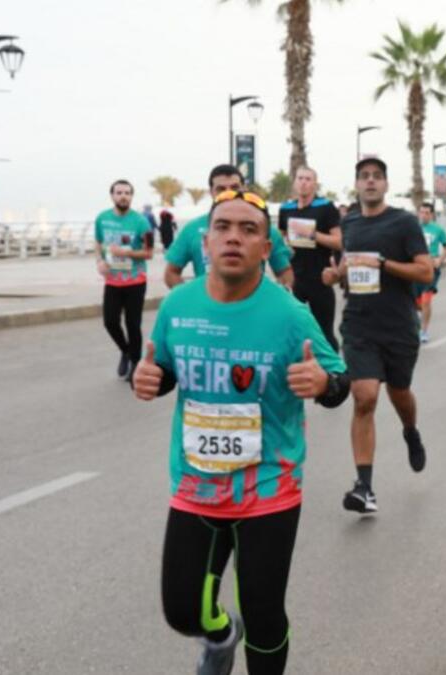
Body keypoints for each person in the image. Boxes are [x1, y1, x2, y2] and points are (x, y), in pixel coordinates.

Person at [133, 189, 348, 675]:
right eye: (224, 228)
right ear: (204, 242)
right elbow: (164, 368)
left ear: (267, 247)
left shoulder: (290, 314)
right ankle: (222, 636)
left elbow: (340, 382)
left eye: (249, 230)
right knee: (182, 611)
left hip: (269, 488)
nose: (234, 238)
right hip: (195, 486)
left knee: (265, 614)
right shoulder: (178, 306)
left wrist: (325, 384)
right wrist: (152, 379)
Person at [321, 158, 434, 513]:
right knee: (364, 395)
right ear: (356, 184)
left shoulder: (404, 222)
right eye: (364, 177)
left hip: (399, 325)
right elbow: (347, 268)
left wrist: (383, 264)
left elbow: (425, 271)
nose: (370, 182)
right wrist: (334, 276)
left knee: (399, 393)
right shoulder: (349, 222)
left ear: (386, 184)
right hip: (358, 323)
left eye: (376, 177)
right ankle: (364, 488)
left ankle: (410, 431)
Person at [165, 164, 294, 289]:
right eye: (221, 189)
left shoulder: (263, 228)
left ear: (244, 189)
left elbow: (284, 272)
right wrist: (190, 301)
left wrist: (276, 300)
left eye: (235, 188)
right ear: (211, 192)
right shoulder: (192, 229)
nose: (229, 194)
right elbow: (171, 273)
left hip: (254, 308)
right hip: (208, 309)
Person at [95, 179, 154, 383]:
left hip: (135, 280)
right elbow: (98, 242)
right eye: (119, 192)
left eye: (127, 193)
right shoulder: (102, 219)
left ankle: (136, 364)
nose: (123, 196)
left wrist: (125, 253)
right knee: (110, 321)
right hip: (112, 280)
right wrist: (100, 261)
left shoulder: (141, 222)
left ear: (131, 197)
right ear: (112, 195)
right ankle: (126, 351)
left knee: (132, 324)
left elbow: (149, 253)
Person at [278, 167, 342, 349]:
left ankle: (334, 373)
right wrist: (282, 261)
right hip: (294, 278)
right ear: (294, 182)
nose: (303, 182)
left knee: (324, 332)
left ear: (315, 183)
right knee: (293, 329)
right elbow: (279, 241)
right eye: (300, 178)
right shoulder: (286, 209)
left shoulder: (326, 207)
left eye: (308, 179)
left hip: (319, 278)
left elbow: (339, 242)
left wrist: (312, 235)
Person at [413, 202, 446, 343]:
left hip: (431, 269)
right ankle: (417, 318)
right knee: (416, 303)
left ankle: (424, 331)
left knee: (426, 300)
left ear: (432, 214)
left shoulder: (438, 230)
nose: (424, 215)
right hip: (415, 268)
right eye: (421, 212)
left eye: (427, 212)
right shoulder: (413, 228)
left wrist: (440, 260)